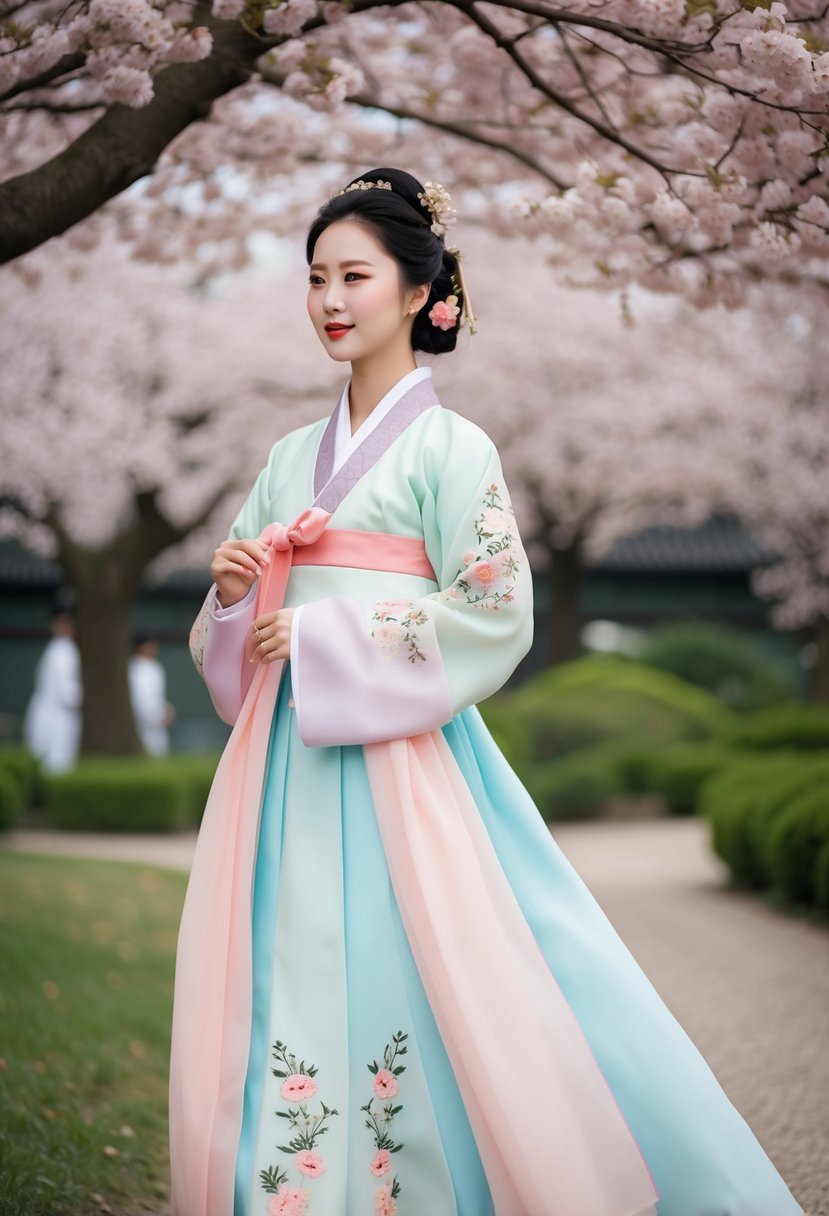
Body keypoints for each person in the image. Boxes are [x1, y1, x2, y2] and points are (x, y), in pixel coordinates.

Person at [168, 169, 804, 1216]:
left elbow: (496, 611)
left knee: (438, 972)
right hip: (282, 765)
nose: (330, 300)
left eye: (355, 276)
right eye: (316, 278)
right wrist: (235, 596)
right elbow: (229, 649)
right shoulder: (287, 459)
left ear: (419, 292)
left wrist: (330, 635)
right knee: (284, 968)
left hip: (399, 763)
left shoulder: (454, 450)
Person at [22, 603, 81, 774]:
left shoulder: (57, 648)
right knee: (56, 768)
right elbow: (67, 693)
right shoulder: (63, 649)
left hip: (50, 717)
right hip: (58, 720)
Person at [128, 634, 174, 756]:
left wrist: (165, 710)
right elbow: (141, 699)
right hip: (143, 724)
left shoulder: (155, 667)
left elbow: (157, 697)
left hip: (158, 722)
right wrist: (155, 717)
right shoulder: (135, 669)